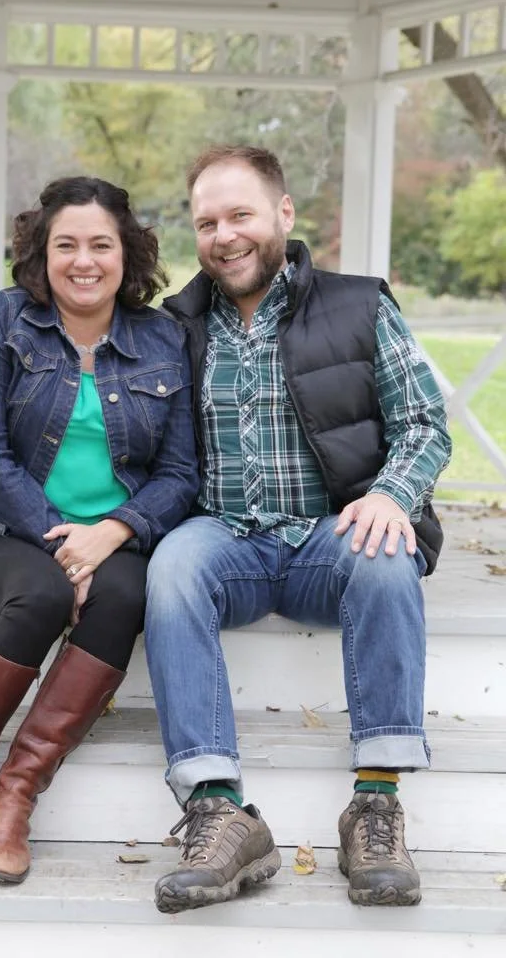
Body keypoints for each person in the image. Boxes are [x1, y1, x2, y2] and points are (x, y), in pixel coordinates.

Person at [143, 145, 452, 914]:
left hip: (329, 534)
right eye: (207, 221)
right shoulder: (173, 327)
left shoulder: (357, 305)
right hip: (225, 538)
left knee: (388, 554)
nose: (224, 235)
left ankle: (375, 807)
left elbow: (425, 422)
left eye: (240, 214)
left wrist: (390, 495)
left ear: (283, 213)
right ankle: (220, 811)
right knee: (173, 568)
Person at [0, 175, 199, 884]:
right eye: (66, 244)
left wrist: (115, 529)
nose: (84, 260)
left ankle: (15, 796)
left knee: (127, 596)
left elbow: (182, 472)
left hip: (112, 538)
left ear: (127, 253)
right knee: (39, 596)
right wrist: (59, 537)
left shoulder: (163, 338)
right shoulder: (6, 319)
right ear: (42, 253)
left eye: (101, 244)